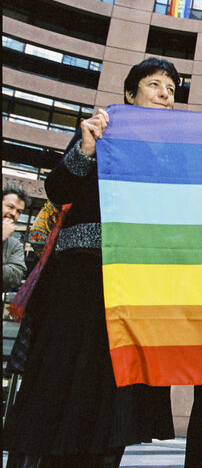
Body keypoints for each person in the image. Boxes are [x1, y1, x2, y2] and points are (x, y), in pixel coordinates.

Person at [3, 57, 180, 467]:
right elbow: (58, 187)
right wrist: (86, 147)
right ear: (130, 93)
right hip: (77, 286)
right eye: (155, 85)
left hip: (133, 289)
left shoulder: (172, 151)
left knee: (112, 393)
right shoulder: (99, 131)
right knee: (62, 384)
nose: (165, 95)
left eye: (171, 90)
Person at [3, 186, 28, 292]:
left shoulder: (15, 245)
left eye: (19, 211)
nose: (14, 214)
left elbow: (16, 277)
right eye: (10, 207)